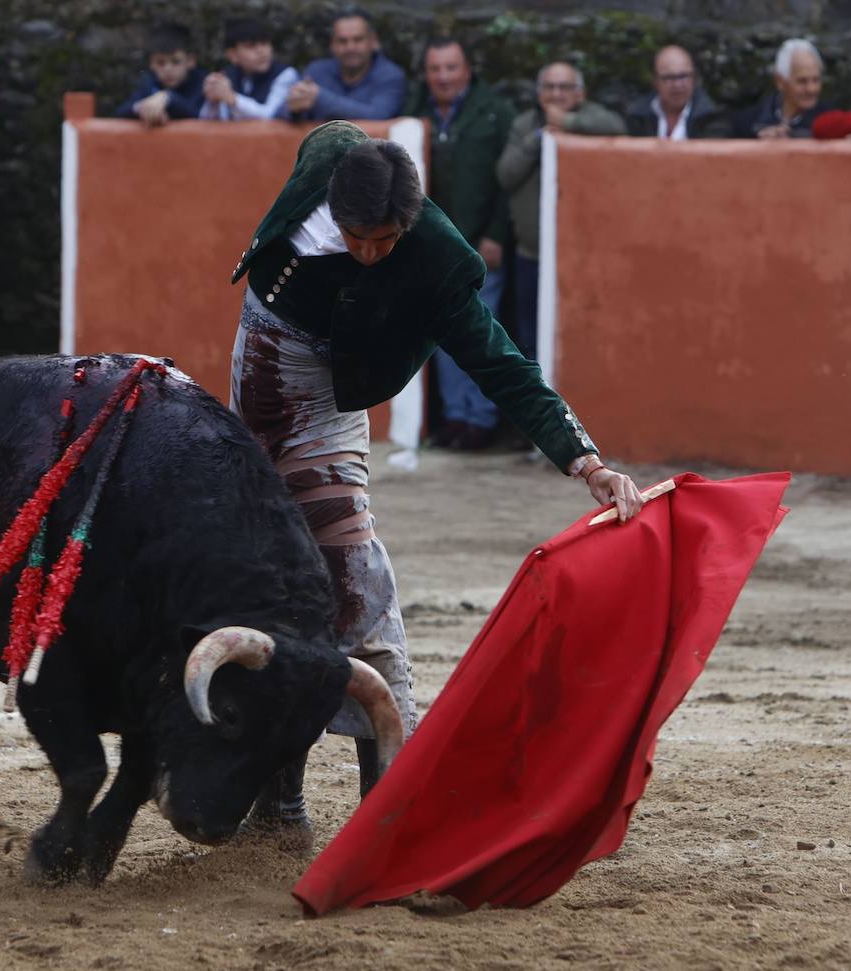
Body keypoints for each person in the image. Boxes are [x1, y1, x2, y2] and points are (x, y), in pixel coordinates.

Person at [228, 121, 644, 848]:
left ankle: (388, 805)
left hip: (326, 402)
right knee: (264, 578)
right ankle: (278, 800)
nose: (367, 253)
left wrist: (586, 459)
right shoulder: (328, 153)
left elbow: (503, 365)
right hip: (256, 362)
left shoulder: (436, 262)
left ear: (409, 223)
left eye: (384, 241)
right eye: (357, 235)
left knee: (354, 574)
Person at [401, 37, 513, 451]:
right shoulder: (414, 109)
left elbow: (508, 184)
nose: (444, 77)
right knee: (444, 335)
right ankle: (455, 419)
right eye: (436, 69)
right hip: (434, 246)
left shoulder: (494, 111)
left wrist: (497, 234)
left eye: (451, 68)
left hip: (481, 244)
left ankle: (480, 419)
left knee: (483, 334)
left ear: (467, 69)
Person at [496, 62, 625, 364]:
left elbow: (617, 128)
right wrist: (541, 137)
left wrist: (567, 123)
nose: (556, 94)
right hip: (531, 255)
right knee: (528, 340)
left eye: (564, 87)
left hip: (584, 256)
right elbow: (506, 174)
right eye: (549, 87)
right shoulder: (524, 124)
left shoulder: (593, 117)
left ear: (580, 93)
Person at [281, 10, 406, 121]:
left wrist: (319, 98)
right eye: (342, 41)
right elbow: (279, 113)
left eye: (358, 39)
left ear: (373, 41)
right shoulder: (317, 71)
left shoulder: (390, 76)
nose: (350, 47)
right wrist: (294, 109)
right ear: (332, 45)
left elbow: (379, 115)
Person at [200, 18, 299, 121]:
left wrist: (232, 98)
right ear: (232, 55)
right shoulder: (228, 75)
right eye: (251, 46)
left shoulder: (285, 74)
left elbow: (271, 116)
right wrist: (212, 101)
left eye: (264, 43)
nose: (261, 51)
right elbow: (209, 122)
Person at [625, 45, 731, 139]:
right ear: (655, 81)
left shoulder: (713, 118)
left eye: (683, 76)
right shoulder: (636, 117)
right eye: (669, 77)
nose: (677, 85)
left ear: (694, 78)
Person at [114, 22, 208, 127]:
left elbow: (198, 114)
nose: (168, 69)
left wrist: (168, 98)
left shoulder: (203, 84)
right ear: (151, 64)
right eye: (160, 63)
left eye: (175, 62)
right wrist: (143, 108)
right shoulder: (150, 83)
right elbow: (121, 113)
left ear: (191, 60)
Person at [733, 39, 830, 138]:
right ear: (780, 81)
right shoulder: (748, 123)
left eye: (816, 80)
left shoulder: (831, 123)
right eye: (802, 81)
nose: (811, 89)